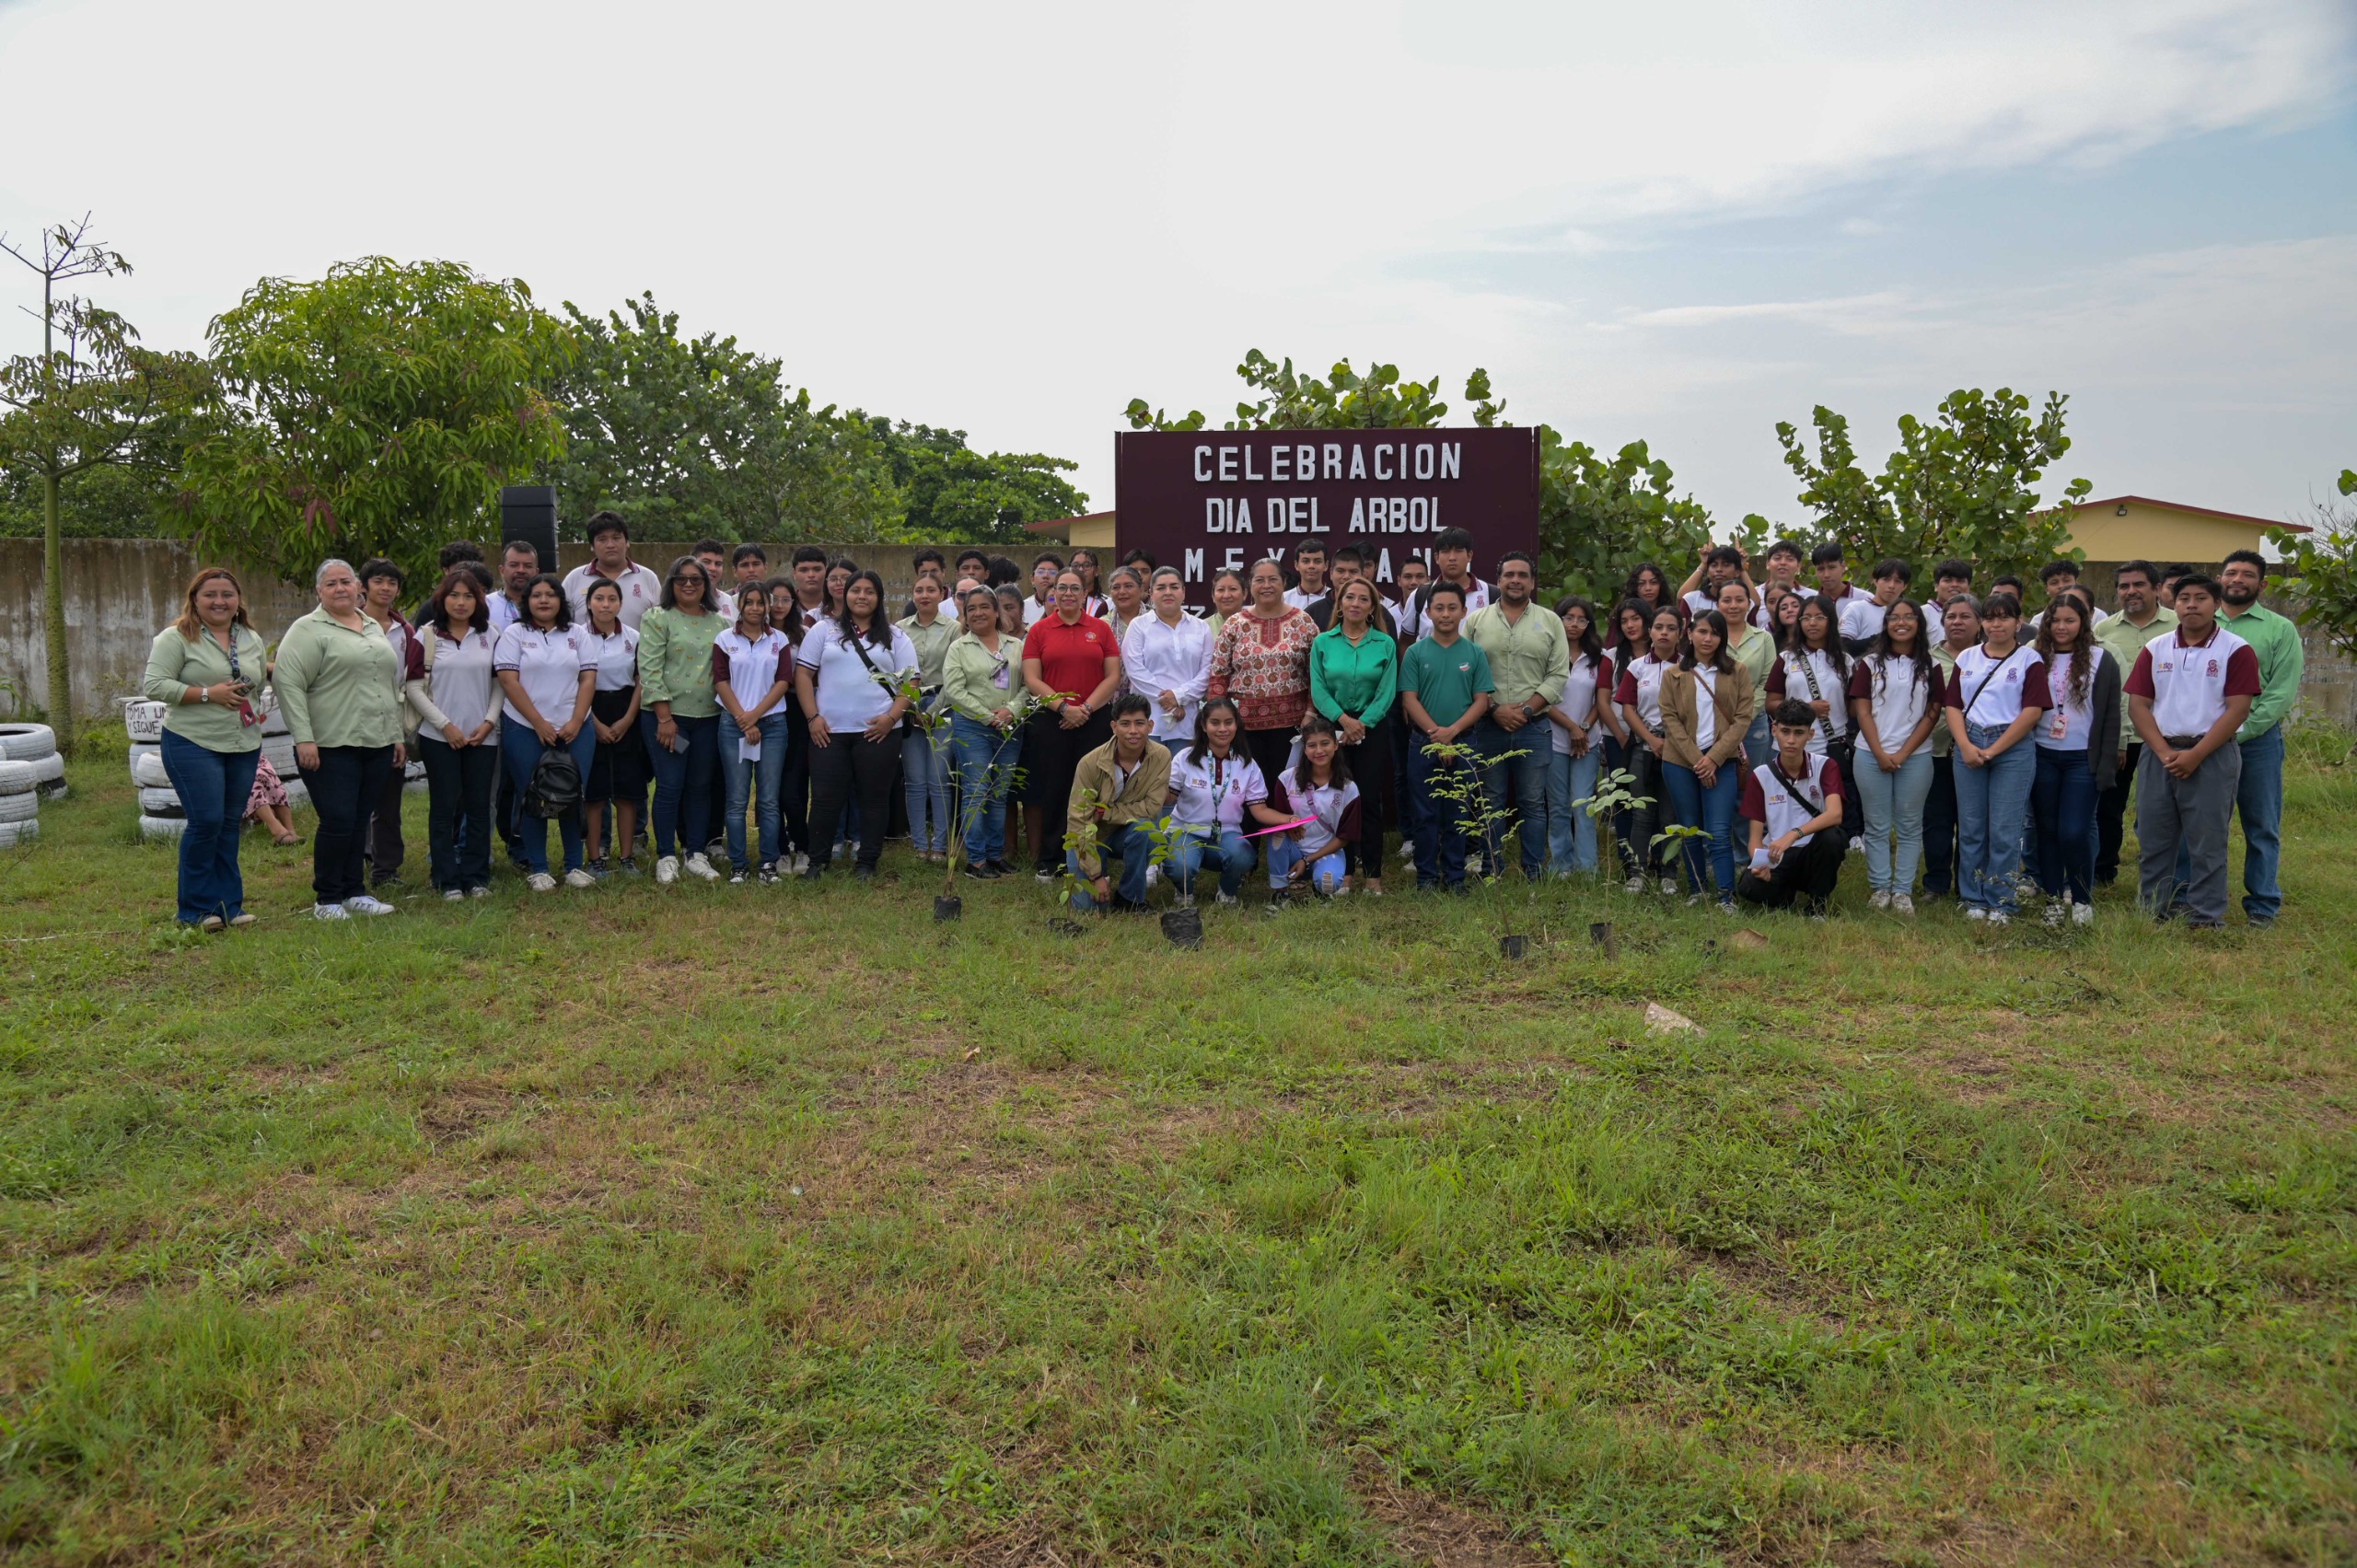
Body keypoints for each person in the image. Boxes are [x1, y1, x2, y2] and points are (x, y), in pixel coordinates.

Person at [2126, 574, 2261, 930]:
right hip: (2160, 755)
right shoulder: (2156, 648)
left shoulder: (2235, 649)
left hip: (2211, 755)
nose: (2191, 605)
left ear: (2217, 604)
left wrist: (2196, 755)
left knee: (2207, 841)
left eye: (2200, 598)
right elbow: (2138, 705)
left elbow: (2238, 709)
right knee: (2154, 839)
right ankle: (2152, 911)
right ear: (2174, 603)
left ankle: (2206, 917)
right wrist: (2163, 751)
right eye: (2184, 598)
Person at [274, 559, 406, 919]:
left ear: (358, 587)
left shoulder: (371, 626)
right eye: (330, 584)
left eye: (345, 581)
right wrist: (304, 738)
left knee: (360, 817)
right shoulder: (307, 630)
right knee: (337, 819)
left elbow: (387, 685)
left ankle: (354, 892)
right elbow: (288, 684)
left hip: (376, 741)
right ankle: (328, 898)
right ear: (319, 591)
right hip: (329, 743)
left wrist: (395, 735)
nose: (339, 589)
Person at [142, 567, 272, 929]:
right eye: (210, 594)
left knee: (230, 823)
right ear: (194, 600)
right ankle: (195, 910)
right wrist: (206, 694)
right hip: (192, 741)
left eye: (227, 594)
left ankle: (229, 905)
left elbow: (258, 683)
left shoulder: (249, 637)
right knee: (207, 822)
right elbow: (154, 684)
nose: (219, 601)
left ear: (238, 600)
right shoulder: (176, 637)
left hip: (242, 742)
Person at [797, 569, 917, 880]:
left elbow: (911, 683)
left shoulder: (895, 635)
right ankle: (817, 861)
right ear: (844, 594)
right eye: (856, 590)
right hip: (829, 732)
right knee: (824, 798)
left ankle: (867, 862)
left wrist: (892, 718)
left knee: (874, 799)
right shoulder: (823, 631)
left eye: (869, 591)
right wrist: (813, 717)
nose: (861, 596)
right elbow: (803, 675)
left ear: (879, 598)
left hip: (879, 733)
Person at [1942, 591, 2049, 923]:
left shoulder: (2030, 660)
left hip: (2012, 748)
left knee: (2005, 829)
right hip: (1969, 741)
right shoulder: (1967, 658)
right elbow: (1953, 706)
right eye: (1990, 617)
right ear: (1982, 622)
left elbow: (2032, 711)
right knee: (1972, 828)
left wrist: (1993, 750)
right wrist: (1966, 746)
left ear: (2019, 622)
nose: (1996, 624)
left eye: (2004, 617)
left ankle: (2002, 901)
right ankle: (1973, 898)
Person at [1463, 552, 1570, 882]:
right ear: (1499, 579)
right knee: (1491, 801)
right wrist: (1495, 709)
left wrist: (1525, 710)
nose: (1515, 580)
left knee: (1533, 803)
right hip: (1488, 725)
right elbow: (1465, 670)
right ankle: (1492, 868)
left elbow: (1557, 674)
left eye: (1523, 575)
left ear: (1532, 582)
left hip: (1533, 727)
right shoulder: (1477, 620)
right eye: (1509, 574)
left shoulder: (1551, 621)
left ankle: (1533, 871)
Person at [2212, 549, 2303, 924]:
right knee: (2200, 822)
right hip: (2202, 741)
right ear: (2220, 578)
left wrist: (2240, 730)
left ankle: (2263, 905)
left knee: (2261, 822)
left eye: (2247, 575)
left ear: (2261, 584)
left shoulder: (2280, 629)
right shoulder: (2198, 621)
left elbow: (2281, 692)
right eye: (2231, 572)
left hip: (2258, 741)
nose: (2237, 579)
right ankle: (2192, 897)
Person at [493, 573, 598, 891]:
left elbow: (588, 679)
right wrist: (539, 723)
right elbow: (508, 681)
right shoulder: (514, 634)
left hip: (576, 728)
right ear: (527, 601)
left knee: (571, 794)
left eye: (550, 595)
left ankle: (573, 866)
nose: (543, 600)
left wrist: (576, 722)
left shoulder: (578, 633)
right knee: (532, 797)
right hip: (525, 728)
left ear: (560, 601)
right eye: (536, 595)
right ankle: (538, 868)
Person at [1020, 569, 1123, 880]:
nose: (1067, 593)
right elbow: (1032, 678)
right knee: (1054, 788)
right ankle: (1051, 859)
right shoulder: (1039, 630)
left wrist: (1086, 709)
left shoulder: (1100, 629)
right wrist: (1064, 708)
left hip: (1094, 719)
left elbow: (1113, 676)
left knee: (1091, 790)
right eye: (1061, 588)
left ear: (1085, 594)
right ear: (1053, 592)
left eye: (1074, 588)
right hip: (1052, 720)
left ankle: (1087, 856)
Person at [407, 568, 502, 899]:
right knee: (444, 807)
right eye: (454, 596)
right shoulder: (427, 636)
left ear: (478, 600)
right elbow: (414, 688)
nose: (461, 603)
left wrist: (489, 722)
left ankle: (477, 876)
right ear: (442, 599)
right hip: (439, 738)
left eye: (468, 596)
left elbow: (498, 684)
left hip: (482, 737)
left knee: (478, 806)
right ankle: (446, 878)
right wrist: (445, 726)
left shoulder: (492, 634)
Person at [2026, 595, 2119, 926]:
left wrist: (2107, 763)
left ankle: (2081, 899)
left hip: (2083, 758)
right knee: (2047, 830)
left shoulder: (2101, 660)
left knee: (2074, 831)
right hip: (2041, 754)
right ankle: (2052, 899)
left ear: (2084, 623)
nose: (2062, 627)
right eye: (2055, 620)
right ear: (2046, 623)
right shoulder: (2033, 657)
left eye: (2070, 620)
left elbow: (2110, 717)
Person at [1846, 599, 1942, 912]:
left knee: (1910, 825)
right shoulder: (1869, 664)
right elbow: (1862, 710)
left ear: (1919, 623)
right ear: (1886, 624)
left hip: (1915, 757)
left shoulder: (1932, 665)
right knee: (1876, 824)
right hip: (1869, 754)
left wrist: (1902, 752)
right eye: (1894, 618)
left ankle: (1902, 891)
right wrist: (1880, 752)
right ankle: (1880, 888)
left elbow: (1932, 713)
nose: (1901, 623)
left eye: (1909, 617)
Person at [1399, 582, 1494, 891]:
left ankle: (1455, 876)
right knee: (1425, 813)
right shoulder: (1415, 652)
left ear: (1464, 612)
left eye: (1452, 608)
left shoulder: (1474, 653)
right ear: (1428, 613)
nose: (1445, 614)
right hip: (1423, 743)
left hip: (1464, 742)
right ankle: (1426, 876)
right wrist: (1438, 737)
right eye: (1438, 608)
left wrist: (1452, 733)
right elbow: (1409, 699)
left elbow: (1482, 700)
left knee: (1459, 811)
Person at [637, 556, 726, 884]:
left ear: (707, 585)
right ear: (670, 583)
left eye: (696, 579)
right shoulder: (657, 618)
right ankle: (665, 855)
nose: (688, 584)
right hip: (667, 719)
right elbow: (649, 668)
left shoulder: (719, 623)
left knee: (700, 787)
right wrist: (664, 716)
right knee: (671, 785)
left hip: (708, 719)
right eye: (681, 579)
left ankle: (696, 853)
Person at [1307, 577, 1399, 895]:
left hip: (1371, 730)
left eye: (1364, 599)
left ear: (1373, 608)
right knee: (1339, 803)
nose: (1356, 603)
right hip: (1334, 729)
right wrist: (1344, 721)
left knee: (1370, 801)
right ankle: (1344, 873)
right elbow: (1318, 690)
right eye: (1350, 597)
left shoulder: (1384, 644)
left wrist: (1362, 724)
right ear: (1340, 603)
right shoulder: (1323, 642)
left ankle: (1373, 875)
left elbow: (1387, 692)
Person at [1657, 609, 1755, 906]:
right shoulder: (1673, 674)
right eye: (1702, 631)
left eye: (1714, 633)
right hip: (1679, 763)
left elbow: (1742, 719)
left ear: (1722, 637)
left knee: (1719, 830)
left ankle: (1726, 896)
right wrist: (1698, 761)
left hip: (1722, 764)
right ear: (1689, 634)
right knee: (1689, 827)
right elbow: (1670, 721)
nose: (1708, 638)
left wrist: (1712, 759)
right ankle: (1698, 890)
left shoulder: (1737, 672)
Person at [2090, 561, 2177, 888]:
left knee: (2162, 810)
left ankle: (2163, 876)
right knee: (2109, 807)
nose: (2131, 592)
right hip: (2121, 733)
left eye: (2138, 585)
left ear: (2157, 589)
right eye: (2124, 586)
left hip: (2168, 735)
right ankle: (2103, 871)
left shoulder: (2179, 624)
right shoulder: (2104, 631)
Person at [1206, 557, 1318, 788]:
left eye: (1273, 579)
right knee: (1247, 787)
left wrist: (1310, 712)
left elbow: (1316, 674)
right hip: (1243, 726)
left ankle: (1285, 825)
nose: (1266, 585)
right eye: (1259, 580)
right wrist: (1219, 720)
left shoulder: (1303, 621)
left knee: (1285, 786)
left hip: (1292, 725)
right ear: (1251, 585)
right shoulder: (1235, 624)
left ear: (1284, 582)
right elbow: (1218, 675)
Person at [1736, 700, 1850, 918]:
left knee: (1833, 838)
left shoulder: (1825, 766)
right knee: (1748, 886)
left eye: (1799, 733)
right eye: (1785, 731)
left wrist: (1794, 834)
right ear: (1774, 730)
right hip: (1777, 855)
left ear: (1811, 734)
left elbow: (1835, 814)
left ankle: (1817, 905)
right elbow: (1754, 836)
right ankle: (1786, 895)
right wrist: (1760, 864)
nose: (1791, 740)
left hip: (1812, 852)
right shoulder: (1761, 775)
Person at [713, 586, 795, 883]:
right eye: (749, 602)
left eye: (761, 603)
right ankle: (738, 864)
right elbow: (721, 681)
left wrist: (755, 716)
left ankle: (768, 864)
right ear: (740, 605)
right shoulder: (725, 639)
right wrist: (743, 720)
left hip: (772, 725)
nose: (755, 608)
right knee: (736, 800)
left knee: (769, 800)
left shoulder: (779, 640)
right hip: (733, 724)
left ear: (768, 606)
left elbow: (784, 680)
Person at [944, 586, 1028, 878]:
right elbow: (954, 691)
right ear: (965, 616)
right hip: (972, 727)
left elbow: (1028, 685)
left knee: (999, 793)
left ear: (996, 610)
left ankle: (995, 856)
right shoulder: (958, 648)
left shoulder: (1016, 646)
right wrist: (987, 716)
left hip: (1010, 728)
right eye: (971, 609)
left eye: (984, 606)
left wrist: (1011, 711)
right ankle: (976, 860)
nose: (978, 613)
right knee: (976, 793)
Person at [1164, 697, 1278, 904]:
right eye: (1215, 723)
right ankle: (1184, 891)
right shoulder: (1184, 758)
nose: (1223, 729)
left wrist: (1289, 820)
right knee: (1180, 866)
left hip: (1226, 834)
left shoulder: (1247, 765)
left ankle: (1227, 890)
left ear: (1236, 725)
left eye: (1228, 722)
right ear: (1203, 726)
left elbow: (1260, 811)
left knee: (1244, 856)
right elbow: (1168, 797)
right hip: (1186, 832)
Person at [1063, 694, 1171, 912]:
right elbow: (1078, 822)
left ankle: (1130, 898)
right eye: (1125, 724)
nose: (1133, 730)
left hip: (1126, 832)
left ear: (1150, 726)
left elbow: (1151, 808)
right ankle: (1098, 873)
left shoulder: (1161, 756)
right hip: (1091, 836)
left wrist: (1105, 812)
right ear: (1114, 726)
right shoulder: (1090, 763)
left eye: (1140, 723)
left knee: (1146, 830)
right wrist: (1095, 876)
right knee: (1089, 910)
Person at [1765, 596, 1860, 841]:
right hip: (1790, 744)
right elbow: (1771, 703)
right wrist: (1807, 709)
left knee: (1832, 799)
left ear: (1831, 621)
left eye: (1819, 617)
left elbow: (1855, 707)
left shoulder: (1845, 662)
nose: (1812, 623)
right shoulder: (1786, 659)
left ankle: (1842, 840)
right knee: (1792, 797)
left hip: (1831, 743)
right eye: (1806, 618)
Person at [578, 577, 646, 876]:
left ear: (620, 603)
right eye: (599, 599)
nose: (606, 605)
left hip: (626, 712)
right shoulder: (576, 636)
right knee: (594, 793)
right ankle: (595, 859)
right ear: (589, 603)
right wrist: (592, 723)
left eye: (612, 599)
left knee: (627, 792)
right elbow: (574, 683)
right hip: (587, 712)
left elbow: (641, 680)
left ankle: (627, 857)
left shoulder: (633, 636)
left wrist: (629, 718)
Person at [356, 558, 414, 890]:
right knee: (352, 800)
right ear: (364, 587)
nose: (385, 588)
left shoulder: (404, 631)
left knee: (389, 803)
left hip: (390, 722)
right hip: (350, 721)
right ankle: (354, 862)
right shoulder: (348, 624)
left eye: (392, 583)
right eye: (378, 581)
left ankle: (386, 869)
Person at [896, 572, 959, 863]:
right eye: (919, 590)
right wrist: (910, 705)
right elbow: (897, 672)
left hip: (943, 706)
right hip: (908, 705)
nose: (924, 595)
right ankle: (920, 845)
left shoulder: (954, 629)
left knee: (939, 778)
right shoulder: (898, 629)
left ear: (942, 593)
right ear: (912, 594)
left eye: (931, 590)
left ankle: (941, 845)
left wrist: (932, 711)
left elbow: (955, 675)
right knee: (914, 779)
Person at [1921, 594, 1980, 900]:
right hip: (1937, 751)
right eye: (1951, 617)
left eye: (1965, 616)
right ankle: (1936, 883)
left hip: (1980, 754)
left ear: (1979, 622)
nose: (1957, 622)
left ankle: (1969, 885)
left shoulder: (1992, 657)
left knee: (1972, 822)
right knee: (1937, 821)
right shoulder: (1927, 660)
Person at [1544, 596, 1607, 877]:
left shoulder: (1599, 658)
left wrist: (1582, 728)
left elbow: (1601, 701)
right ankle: (1561, 865)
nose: (1574, 624)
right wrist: (1571, 728)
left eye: (1582, 619)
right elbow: (1542, 699)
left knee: (1583, 805)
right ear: (1558, 618)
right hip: (1552, 739)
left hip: (1587, 742)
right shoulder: (1546, 654)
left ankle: (1587, 867)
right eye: (1568, 617)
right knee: (1558, 806)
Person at [1123, 566, 1215, 757]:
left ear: (1183, 592)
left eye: (1174, 587)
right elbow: (1135, 670)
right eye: (1161, 588)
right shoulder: (1138, 626)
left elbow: (1207, 672)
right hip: (1147, 719)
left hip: (1187, 721)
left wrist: (1179, 696)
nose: (1168, 592)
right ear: (1150, 593)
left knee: (1182, 783)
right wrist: (1170, 701)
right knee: (1146, 782)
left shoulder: (1200, 628)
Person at [1266, 715, 1360, 899]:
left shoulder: (1348, 787)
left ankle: (1322, 892)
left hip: (1327, 851)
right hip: (1292, 849)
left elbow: (1344, 837)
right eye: (1312, 745)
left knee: (1328, 881)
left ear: (1335, 745)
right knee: (1276, 836)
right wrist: (1289, 824)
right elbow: (1279, 817)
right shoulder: (1286, 779)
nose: (1319, 751)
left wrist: (1306, 860)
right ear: (1304, 748)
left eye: (1325, 743)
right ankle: (1280, 893)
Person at [562, 512, 662, 628]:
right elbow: (562, 625)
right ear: (592, 545)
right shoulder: (574, 579)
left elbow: (660, 626)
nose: (610, 545)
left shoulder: (648, 578)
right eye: (602, 539)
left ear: (627, 542)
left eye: (616, 538)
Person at [1719, 576, 1777, 765]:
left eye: (1739, 600)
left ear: (1749, 603)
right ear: (1718, 604)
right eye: (1727, 600)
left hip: (1755, 720)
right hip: (1717, 719)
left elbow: (1767, 682)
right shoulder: (1709, 638)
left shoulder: (1764, 638)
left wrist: (1746, 715)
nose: (1733, 605)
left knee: (1754, 778)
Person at [1409, 528, 1491, 638]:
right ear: (1436, 557)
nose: (1452, 558)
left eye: (1458, 551)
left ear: (1469, 556)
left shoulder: (1491, 593)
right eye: (1445, 551)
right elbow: (1406, 641)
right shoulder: (1419, 595)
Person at [1838, 559, 1913, 652]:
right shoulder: (1856, 609)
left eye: (1898, 581)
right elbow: (1844, 647)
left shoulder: (1910, 615)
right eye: (1886, 579)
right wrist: (1884, 637)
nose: (1891, 585)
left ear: (1905, 586)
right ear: (1875, 581)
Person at [1677, 545, 1749, 619]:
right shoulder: (1694, 598)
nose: (1719, 569)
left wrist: (1742, 567)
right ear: (1707, 571)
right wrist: (1704, 564)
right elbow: (1681, 598)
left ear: (1737, 572)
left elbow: (1756, 603)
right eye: (1714, 565)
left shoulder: (1743, 603)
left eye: (1726, 565)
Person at [244, 754, 300, 845]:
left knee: (268, 775)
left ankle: (290, 830)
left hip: (248, 749)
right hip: (222, 754)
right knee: (249, 780)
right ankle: (278, 832)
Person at [487, 540, 539, 630]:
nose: (521, 570)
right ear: (502, 571)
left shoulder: (545, 605)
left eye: (528, 566)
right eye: (514, 565)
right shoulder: (486, 604)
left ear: (537, 572)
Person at [1811, 542, 1871, 615]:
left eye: (1832, 567)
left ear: (1843, 567)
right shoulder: (1810, 604)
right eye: (1821, 569)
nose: (1826, 575)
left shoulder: (1865, 599)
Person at [1103, 564, 1147, 646]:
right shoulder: (1102, 625)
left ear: (1141, 589)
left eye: (1128, 586)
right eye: (1116, 587)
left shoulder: (1157, 620)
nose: (1122, 592)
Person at [691, 540, 737, 619]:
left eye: (718, 564)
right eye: (706, 562)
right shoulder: (681, 602)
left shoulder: (730, 602)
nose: (713, 568)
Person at [1283, 540, 1329, 611]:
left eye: (1317, 561)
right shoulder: (1283, 599)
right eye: (1306, 561)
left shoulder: (1334, 598)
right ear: (1296, 565)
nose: (1311, 566)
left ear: (1326, 565)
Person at [1204, 568, 1247, 639]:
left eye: (1233, 589)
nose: (1226, 595)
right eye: (1221, 590)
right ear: (1213, 596)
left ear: (1244, 594)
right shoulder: (1202, 627)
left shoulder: (1255, 625)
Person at [1067, 548, 1110, 618]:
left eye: (1087, 565)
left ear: (1096, 571)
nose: (1081, 570)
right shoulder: (1063, 599)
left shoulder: (1107, 602)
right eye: (1075, 566)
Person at [1025, 552, 1064, 625]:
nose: (1046, 576)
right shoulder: (1022, 608)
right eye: (1040, 572)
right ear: (1032, 579)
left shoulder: (1067, 605)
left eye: (1052, 572)